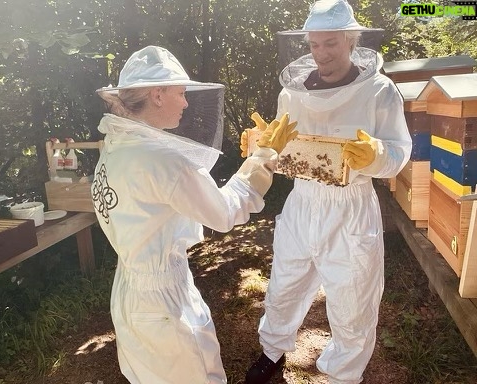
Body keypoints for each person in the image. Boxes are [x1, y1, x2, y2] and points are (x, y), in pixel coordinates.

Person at [90, 45, 298, 384]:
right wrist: (263, 156)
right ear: (158, 94)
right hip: (162, 304)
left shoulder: (114, 147)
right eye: (181, 92)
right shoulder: (161, 160)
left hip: (129, 292)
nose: (186, 102)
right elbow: (224, 212)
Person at [243, 1, 412, 383]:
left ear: (351, 41)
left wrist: (377, 154)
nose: (321, 53)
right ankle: (272, 352)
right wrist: (261, 147)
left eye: (331, 43)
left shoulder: (379, 91)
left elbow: (398, 152)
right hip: (303, 200)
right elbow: (285, 149)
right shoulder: (293, 93)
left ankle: (343, 375)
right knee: (284, 282)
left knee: (353, 298)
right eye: (315, 45)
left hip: (351, 206)